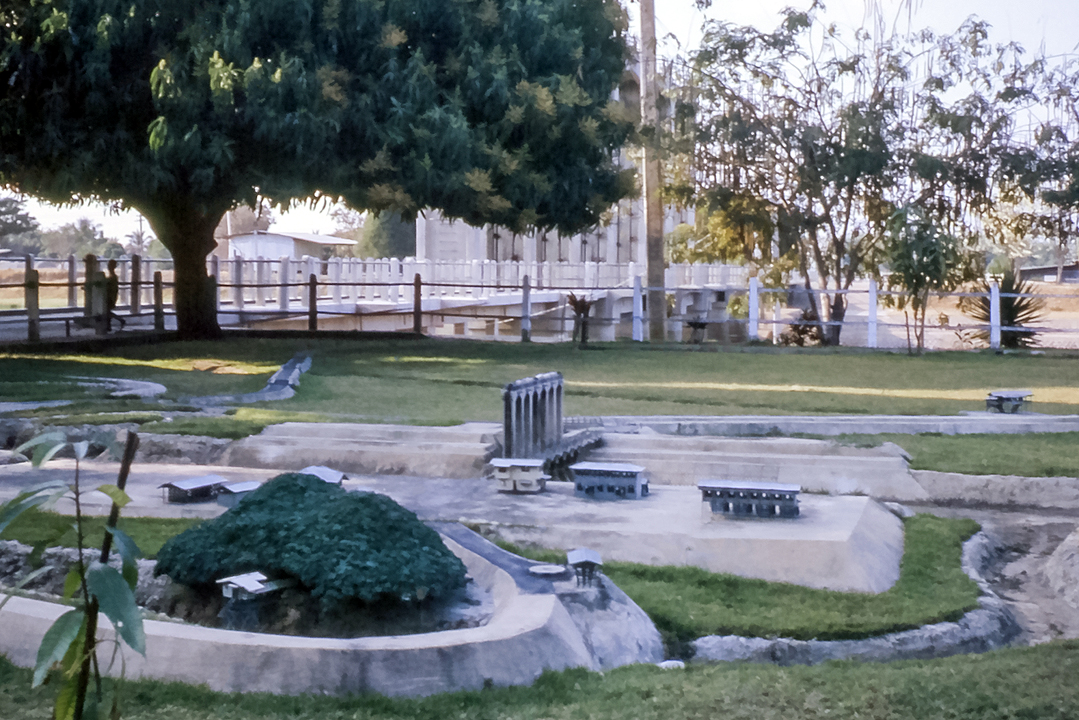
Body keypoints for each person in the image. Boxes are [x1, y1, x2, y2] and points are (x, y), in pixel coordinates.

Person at [105, 259, 126, 331]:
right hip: (109, 296)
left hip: (110, 296)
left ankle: (120, 320)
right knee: (106, 311)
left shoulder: (113, 277)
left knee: (106, 311)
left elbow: (112, 288)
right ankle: (108, 326)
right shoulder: (112, 276)